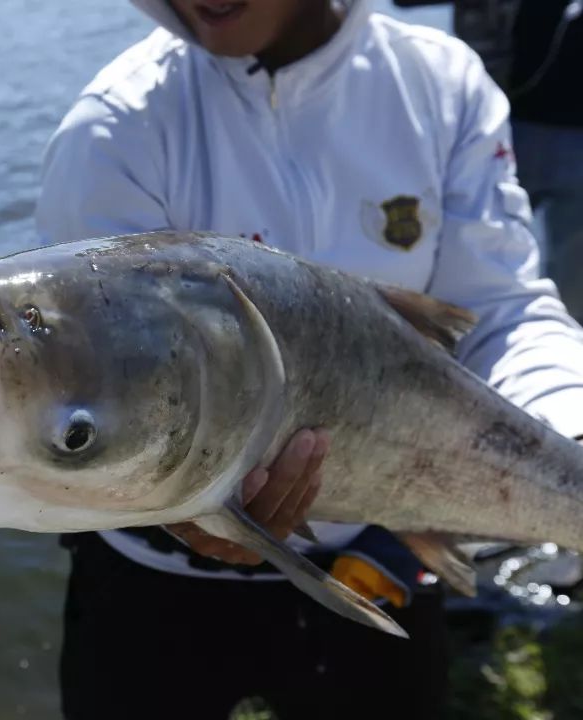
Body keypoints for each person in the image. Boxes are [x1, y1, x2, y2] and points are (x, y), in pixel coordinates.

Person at [33, 1, 583, 718]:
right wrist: (192, 508)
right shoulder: (114, 126)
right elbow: (89, 374)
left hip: (380, 560)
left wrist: (571, 432)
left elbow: (498, 311)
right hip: (150, 577)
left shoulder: (440, 82)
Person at [397, 0, 583, 319]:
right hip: (495, 128)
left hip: (575, 139)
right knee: (460, 262)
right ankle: (440, 333)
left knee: (575, 277)